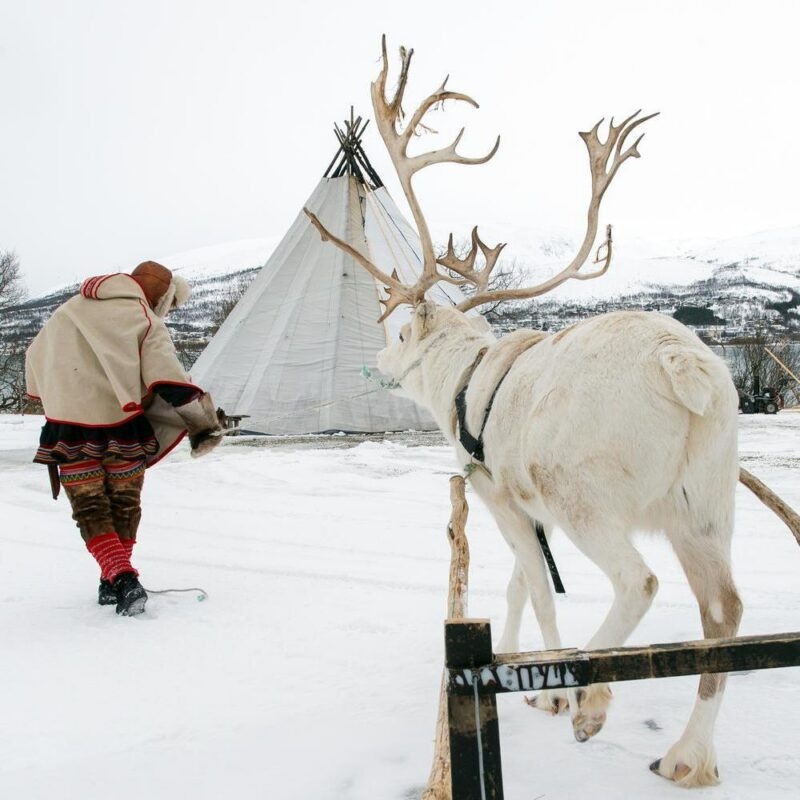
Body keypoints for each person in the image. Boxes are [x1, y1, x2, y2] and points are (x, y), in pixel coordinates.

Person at [25, 261, 223, 616]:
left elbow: (34, 358)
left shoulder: (67, 311)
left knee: (90, 509)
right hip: (123, 432)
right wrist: (203, 424)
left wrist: (63, 394)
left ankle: (112, 579)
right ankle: (123, 576)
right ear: (161, 296)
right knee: (125, 506)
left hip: (68, 432)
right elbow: (169, 380)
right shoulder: (144, 320)